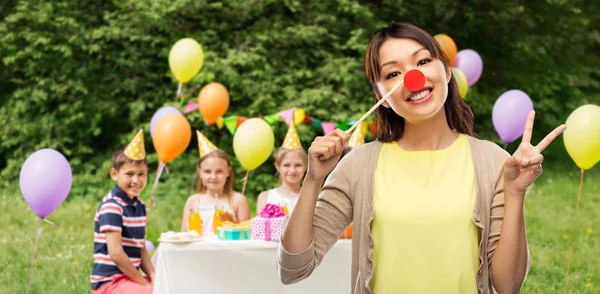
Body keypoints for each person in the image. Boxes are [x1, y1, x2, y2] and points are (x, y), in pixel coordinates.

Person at [278, 22, 566, 294]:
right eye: (392, 74)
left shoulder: (493, 162)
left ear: (447, 71)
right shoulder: (358, 165)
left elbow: (507, 286)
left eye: (423, 61)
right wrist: (314, 179)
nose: (412, 78)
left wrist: (515, 192)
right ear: (380, 94)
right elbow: (294, 268)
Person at [91, 129, 155, 293]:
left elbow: (140, 247)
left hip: (129, 279)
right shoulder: (112, 206)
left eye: (141, 174)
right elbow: (116, 254)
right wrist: (143, 282)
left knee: (169, 285)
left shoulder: (139, 206)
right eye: (129, 174)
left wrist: (154, 276)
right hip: (109, 282)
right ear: (114, 174)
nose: (136, 180)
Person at [181, 131, 250, 234]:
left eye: (219, 171)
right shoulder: (193, 201)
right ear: (200, 173)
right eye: (207, 171)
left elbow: (247, 236)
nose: (213, 177)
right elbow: (184, 235)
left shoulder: (238, 200)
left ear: (228, 172)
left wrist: (235, 228)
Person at [256, 122, 308, 215]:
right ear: (277, 166)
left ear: (305, 166)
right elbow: (261, 227)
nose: (292, 170)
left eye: (298, 165)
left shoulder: (312, 198)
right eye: (286, 165)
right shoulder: (265, 198)